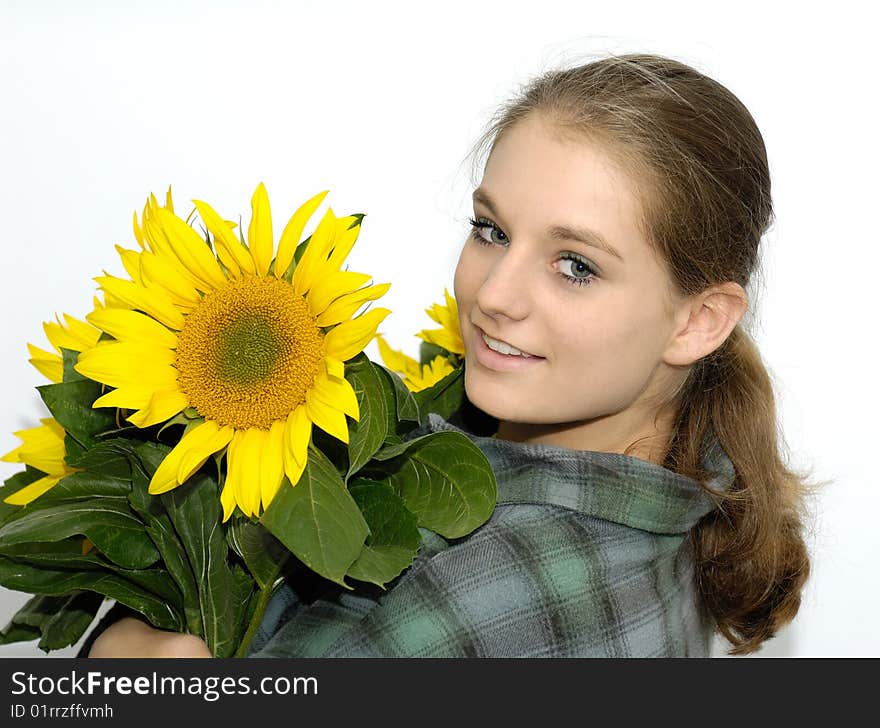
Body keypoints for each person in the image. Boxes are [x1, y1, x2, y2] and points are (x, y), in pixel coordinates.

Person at [83, 52, 811, 658]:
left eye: (576, 266)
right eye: (491, 230)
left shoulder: (476, 596)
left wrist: (120, 659)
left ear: (699, 321)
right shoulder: (689, 493)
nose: (495, 294)